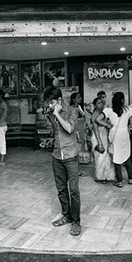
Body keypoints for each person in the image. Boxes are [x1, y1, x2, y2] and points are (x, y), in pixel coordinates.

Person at [43, 86, 82, 236]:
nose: (49, 105)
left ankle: (76, 222)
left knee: (74, 190)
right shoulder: (51, 113)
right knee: (61, 189)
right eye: (48, 103)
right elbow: (54, 130)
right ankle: (66, 214)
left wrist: (57, 113)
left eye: (51, 102)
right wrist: (50, 115)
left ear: (59, 100)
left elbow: (70, 128)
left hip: (71, 156)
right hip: (57, 156)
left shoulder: (72, 110)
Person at [106, 92, 132, 188]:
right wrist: (128, 126)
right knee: (126, 156)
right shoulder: (128, 110)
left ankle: (119, 181)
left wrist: (107, 125)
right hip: (124, 134)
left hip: (114, 134)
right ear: (122, 100)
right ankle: (131, 178)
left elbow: (98, 119)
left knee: (116, 157)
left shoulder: (108, 110)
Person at [90, 97, 115, 183]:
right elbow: (95, 130)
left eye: (102, 103)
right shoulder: (95, 115)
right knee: (100, 157)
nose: (101, 105)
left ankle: (107, 175)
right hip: (98, 137)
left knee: (106, 157)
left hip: (104, 136)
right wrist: (99, 143)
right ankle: (99, 177)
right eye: (98, 103)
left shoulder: (102, 114)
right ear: (95, 105)